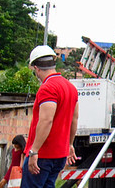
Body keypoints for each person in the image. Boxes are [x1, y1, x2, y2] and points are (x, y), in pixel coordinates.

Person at [22, 45, 79, 188]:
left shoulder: (47, 88)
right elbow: (74, 119)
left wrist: (34, 151)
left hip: (43, 154)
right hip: (59, 154)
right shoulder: (71, 88)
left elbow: (46, 120)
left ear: (36, 68)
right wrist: (70, 144)